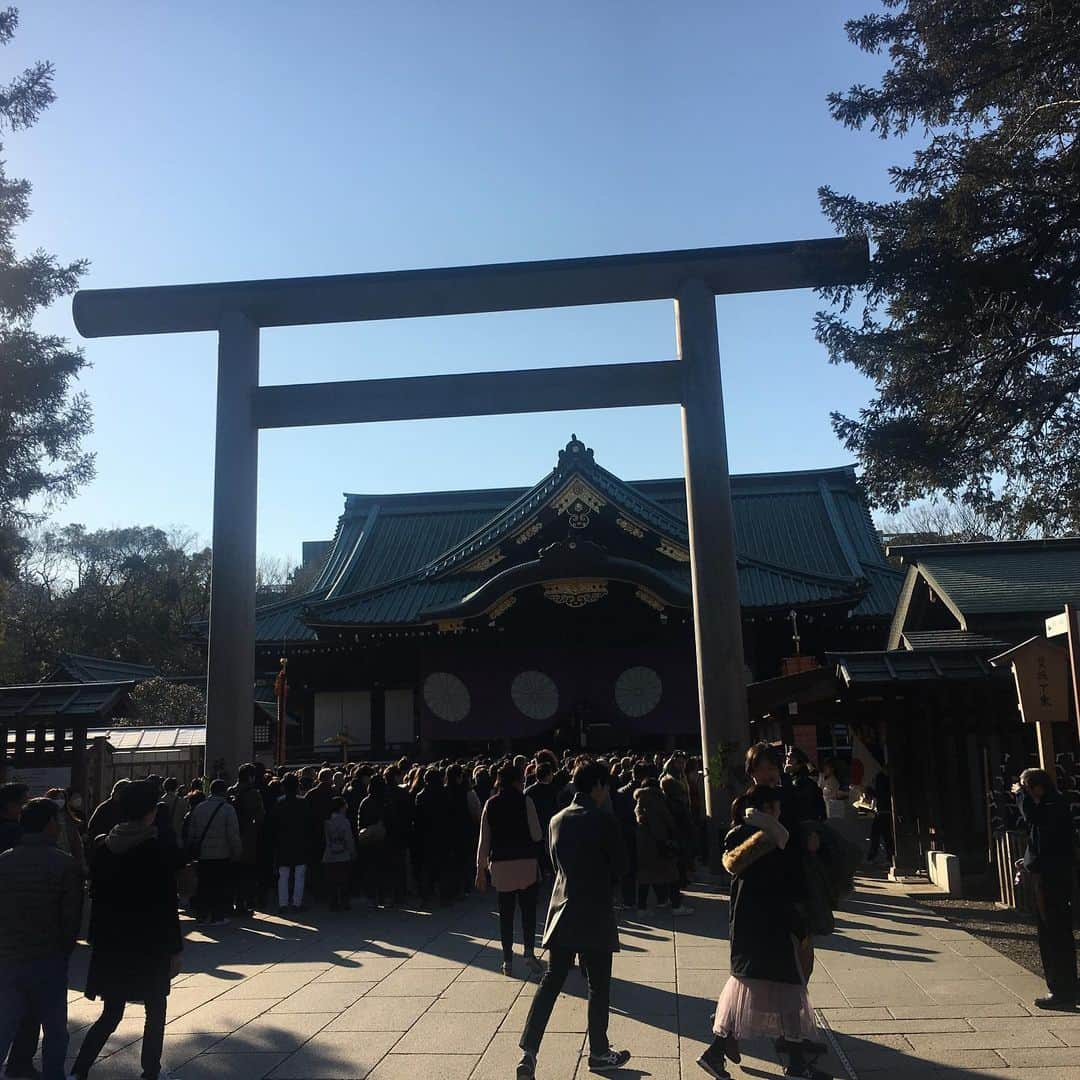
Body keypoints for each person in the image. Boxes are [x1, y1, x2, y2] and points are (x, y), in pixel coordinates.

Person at [698, 786, 829, 1080]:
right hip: (772, 925)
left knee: (750, 987)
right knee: (788, 989)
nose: (780, 813)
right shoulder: (771, 839)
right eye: (778, 807)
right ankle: (794, 1065)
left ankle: (716, 1053)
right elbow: (778, 889)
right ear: (769, 809)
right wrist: (798, 923)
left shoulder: (741, 834)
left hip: (749, 927)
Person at [516, 761, 631, 1079]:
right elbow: (621, 866)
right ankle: (598, 1052)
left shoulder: (556, 820)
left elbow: (555, 864)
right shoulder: (604, 820)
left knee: (552, 981)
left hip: (564, 909)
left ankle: (529, 1052)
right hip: (595, 910)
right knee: (598, 985)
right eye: (605, 786)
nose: (606, 791)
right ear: (597, 786)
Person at [71, 781, 183, 1080]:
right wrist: (175, 947)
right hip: (150, 941)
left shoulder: (104, 846)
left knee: (111, 1013)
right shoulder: (157, 849)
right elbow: (165, 904)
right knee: (155, 1009)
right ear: (151, 812)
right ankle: (150, 1070)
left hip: (113, 942)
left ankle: (79, 1069)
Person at [0, 797, 84, 1080]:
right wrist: (64, 949)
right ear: (50, 825)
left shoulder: (4, 861)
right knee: (55, 1029)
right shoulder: (65, 864)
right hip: (48, 956)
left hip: (8, 955)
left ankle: (15, 1064)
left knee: (5, 1022)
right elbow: (71, 918)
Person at [1012, 767, 1078, 1010]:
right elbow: (1038, 838)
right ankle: (1065, 986)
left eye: (1026, 788)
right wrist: (1028, 861)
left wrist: (1020, 796)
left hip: (1052, 877)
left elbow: (1033, 818)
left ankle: (1062, 989)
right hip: (1048, 873)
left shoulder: (1051, 806)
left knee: (1054, 933)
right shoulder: (1050, 806)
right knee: (1053, 932)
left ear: (1036, 787)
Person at [476, 764, 544, 978]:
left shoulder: (490, 804)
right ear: (517, 781)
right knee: (528, 912)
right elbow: (536, 834)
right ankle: (529, 953)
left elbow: (484, 840)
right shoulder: (526, 801)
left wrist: (480, 868)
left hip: (501, 864)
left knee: (505, 915)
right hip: (525, 862)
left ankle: (507, 959)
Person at [185, 778, 241, 924]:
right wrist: (237, 851)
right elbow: (233, 834)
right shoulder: (228, 809)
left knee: (203, 884)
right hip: (222, 853)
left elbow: (192, 831)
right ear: (223, 791)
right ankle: (217, 915)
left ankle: (202, 914)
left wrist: (193, 848)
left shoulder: (199, 807)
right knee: (219, 885)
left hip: (203, 854)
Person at [634, 778, 693, 915]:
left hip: (644, 845)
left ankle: (642, 907)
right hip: (658, 844)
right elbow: (664, 822)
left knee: (645, 877)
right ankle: (676, 906)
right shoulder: (656, 801)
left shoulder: (640, 801)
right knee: (672, 875)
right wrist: (668, 839)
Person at [267, 772, 313, 913]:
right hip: (300, 841)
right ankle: (297, 903)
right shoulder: (303, 802)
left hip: (283, 842)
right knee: (299, 873)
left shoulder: (279, 803)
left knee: (283, 874)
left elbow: (273, 824)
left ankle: (283, 903)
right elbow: (308, 823)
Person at [232, 763, 266, 916]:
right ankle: (244, 903)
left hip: (231, 836)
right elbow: (260, 817)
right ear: (251, 777)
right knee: (247, 873)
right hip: (248, 837)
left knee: (234, 872)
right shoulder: (254, 794)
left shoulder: (230, 791)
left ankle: (231, 902)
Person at [323, 796, 357, 911]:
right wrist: (352, 852)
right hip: (343, 855)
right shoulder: (344, 821)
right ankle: (344, 902)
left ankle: (332, 903)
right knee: (344, 881)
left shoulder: (327, 821)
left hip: (329, 854)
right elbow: (348, 839)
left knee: (332, 881)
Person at [865, 768, 894, 864]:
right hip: (884, 810)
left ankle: (875, 857)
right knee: (885, 835)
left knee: (879, 835)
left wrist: (871, 792)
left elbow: (880, 794)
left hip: (883, 811)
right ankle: (889, 857)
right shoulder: (885, 778)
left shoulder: (881, 779)